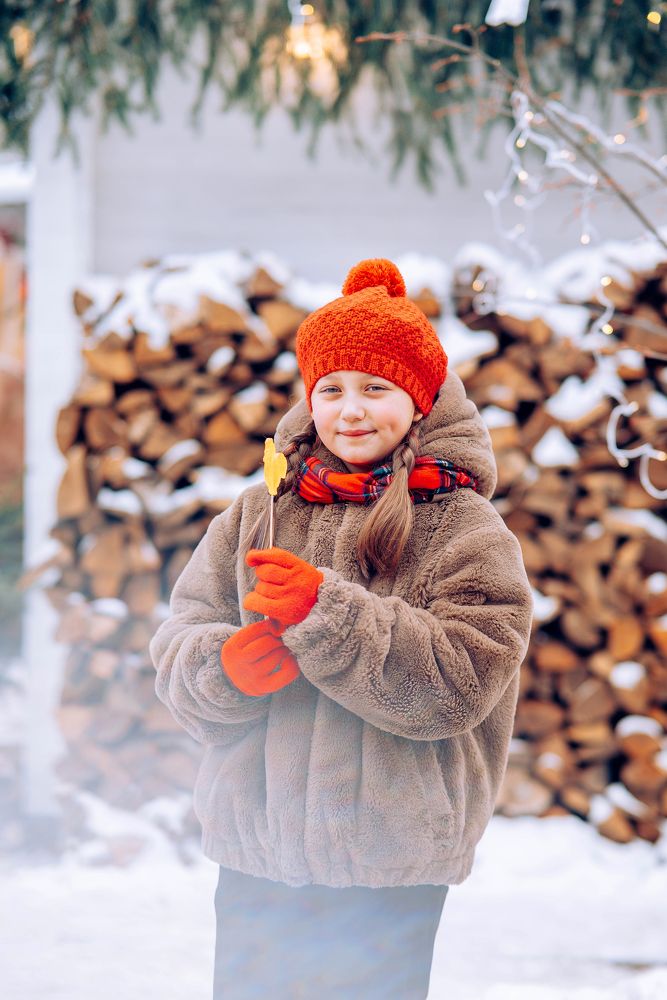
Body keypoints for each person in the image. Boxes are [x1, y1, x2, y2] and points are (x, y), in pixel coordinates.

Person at [149, 258, 534, 999]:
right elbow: (182, 631)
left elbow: (460, 683)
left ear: (418, 399)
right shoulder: (259, 511)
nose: (350, 410)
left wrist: (326, 615)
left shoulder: (460, 527)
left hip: (386, 860)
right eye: (331, 390)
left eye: (375, 388)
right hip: (259, 851)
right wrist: (219, 669)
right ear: (309, 400)